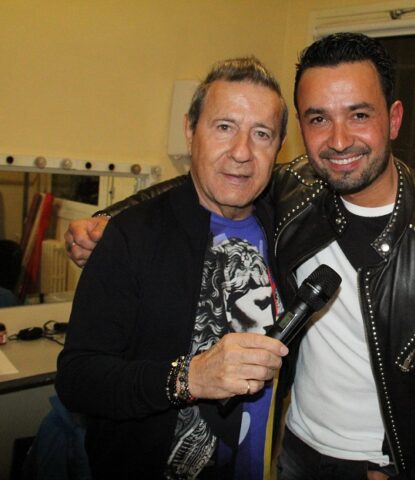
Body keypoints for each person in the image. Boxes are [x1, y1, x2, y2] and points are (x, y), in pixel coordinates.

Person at [66, 33, 415, 479]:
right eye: (319, 118)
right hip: (294, 452)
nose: (339, 141)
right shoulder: (296, 192)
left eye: (359, 114)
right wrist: (109, 217)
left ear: (394, 119)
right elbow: (207, 181)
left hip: (387, 463)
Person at [55, 56, 290, 479]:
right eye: (224, 127)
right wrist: (190, 378)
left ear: (278, 147)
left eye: (262, 134)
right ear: (190, 130)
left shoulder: (285, 232)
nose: (242, 152)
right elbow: (78, 379)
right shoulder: (130, 237)